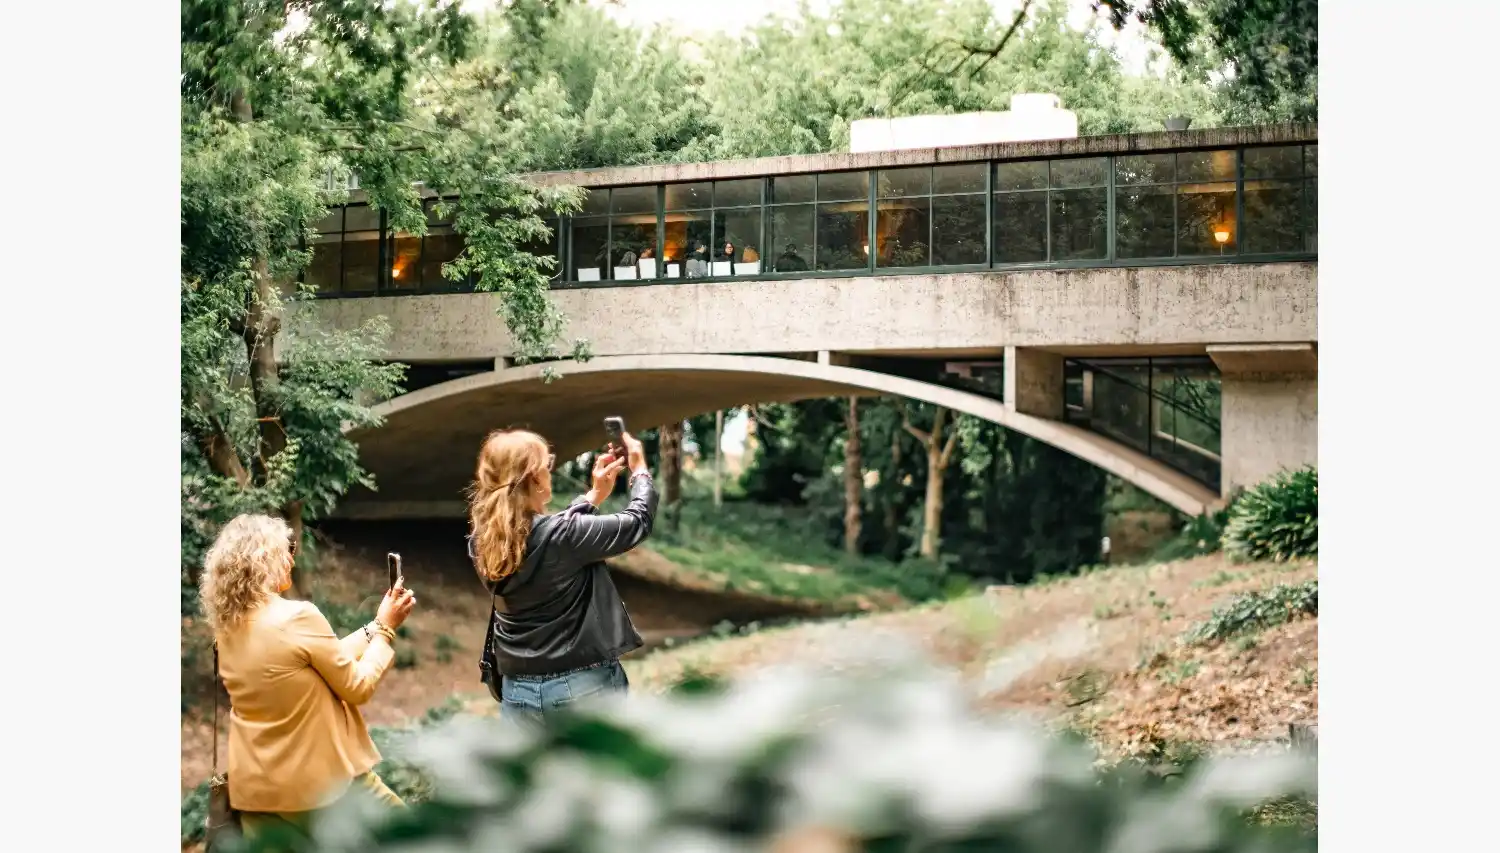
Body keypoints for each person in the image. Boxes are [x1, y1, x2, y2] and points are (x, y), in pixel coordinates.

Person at [199, 514, 417, 839]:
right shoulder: (297, 616)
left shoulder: (227, 629)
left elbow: (312, 663)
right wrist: (386, 630)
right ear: (263, 559)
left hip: (257, 794)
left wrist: (374, 626)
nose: (292, 557)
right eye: (286, 549)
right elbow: (356, 686)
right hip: (322, 789)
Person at [467, 428, 658, 730]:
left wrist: (593, 496)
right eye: (547, 464)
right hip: (582, 691)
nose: (550, 470)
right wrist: (640, 472)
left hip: (517, 694)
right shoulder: (564, 537)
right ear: (533, 477)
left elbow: (550, 539)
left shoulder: (482, 542)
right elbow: (638, 521)